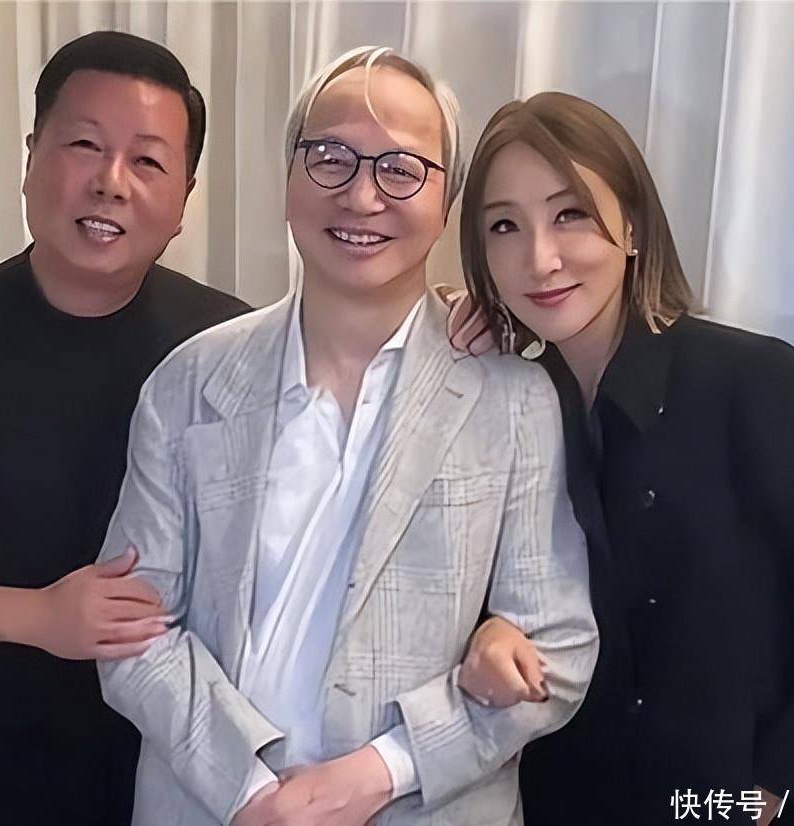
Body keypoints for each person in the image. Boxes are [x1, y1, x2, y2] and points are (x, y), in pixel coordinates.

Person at [95, 47, 598, 826]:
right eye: (330, 156)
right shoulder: (188, 383)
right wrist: (250, 794)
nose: (362, 195)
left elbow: (555, 649)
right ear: (289, 178)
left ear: (447, 199)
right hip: (208, 808)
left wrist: (378, 773)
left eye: (402, 168)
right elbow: (131, 630)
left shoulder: (513, 399)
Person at [451, 92, 794, 825]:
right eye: (504, 226)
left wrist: (782, 793)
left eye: (571, 214)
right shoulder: (501, 399)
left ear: (632, 226)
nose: (539, 258)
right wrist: (489, 634)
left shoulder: (746, 380)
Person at [0, 31, 248, 826]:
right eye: (83, 146)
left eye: (147, 161)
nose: (110, 182)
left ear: (184, 199)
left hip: (185, 771)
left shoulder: (234, 350)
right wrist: (32, 616)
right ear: (31, 159)